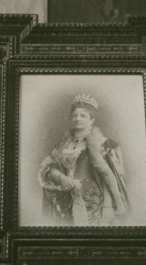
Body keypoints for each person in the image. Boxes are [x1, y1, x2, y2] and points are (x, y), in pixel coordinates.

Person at [37, 93, 130, 226]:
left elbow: (108, 177)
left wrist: (107, 206)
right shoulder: (63, 143)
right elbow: (50, 168)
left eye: (83, 115)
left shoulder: (104, 145)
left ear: (92, 120)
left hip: (96, 205)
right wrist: (61, 178)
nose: (78, 119)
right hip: (66, 202)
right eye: (75, 115)